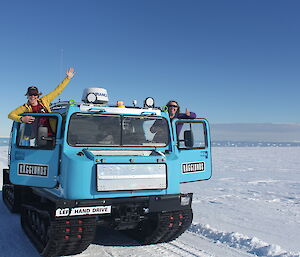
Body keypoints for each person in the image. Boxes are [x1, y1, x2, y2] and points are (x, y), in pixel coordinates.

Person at [8, 67, 75, 123]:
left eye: (34, 94)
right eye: (30, 94)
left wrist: (68, 78)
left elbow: (58, 90)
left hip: (51, 133)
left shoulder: (45, 100)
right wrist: (21, 119)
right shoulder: (25, 107)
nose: (32, 97)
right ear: (27, 96)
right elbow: (10, 115)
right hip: (36, 135)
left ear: (37, 96)